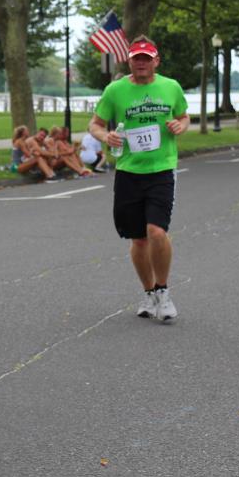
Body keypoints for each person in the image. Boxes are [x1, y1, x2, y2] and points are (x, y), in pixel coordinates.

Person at [88, 37, 189, 323]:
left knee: (156, 231)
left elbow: (184, 117)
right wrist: (105, 136)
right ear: (129, 61)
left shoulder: (171, 87)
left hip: (161, 169)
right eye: (136, 58)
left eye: (146, 58)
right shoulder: (115, 90)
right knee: (139, 239)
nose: (141, 63)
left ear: (156, 61)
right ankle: (148, 292)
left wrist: (179, 125)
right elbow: (95, 124)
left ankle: (163, 291)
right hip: (129, 172)